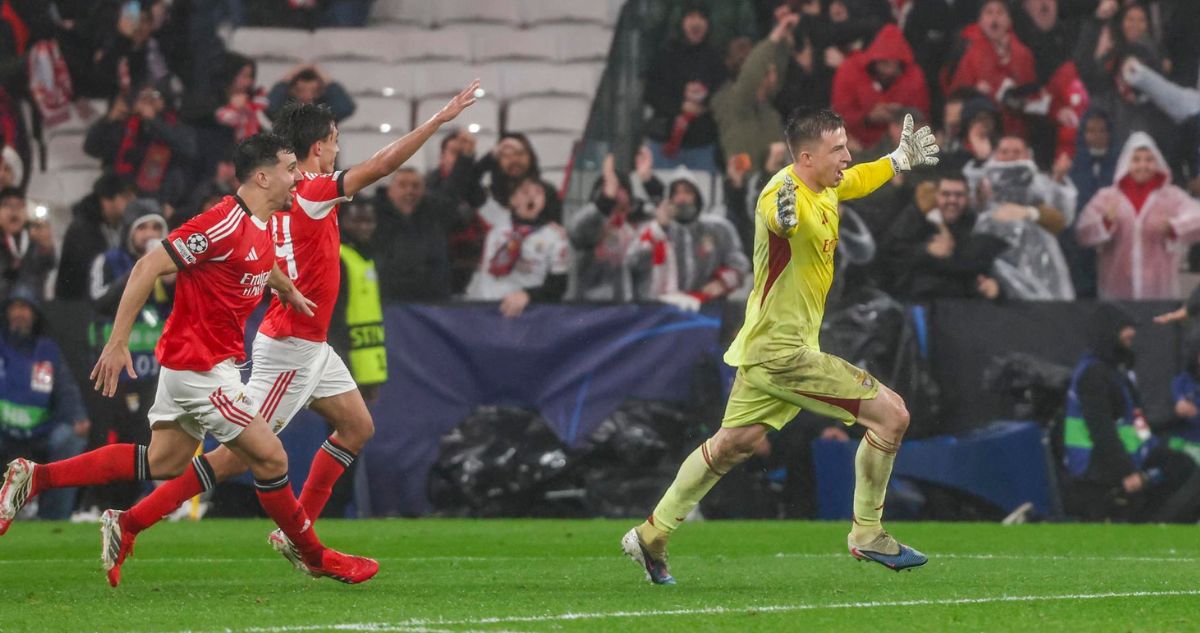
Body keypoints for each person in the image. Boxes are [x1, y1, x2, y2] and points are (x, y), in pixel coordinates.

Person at [100, 84, 480, 580]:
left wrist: (285, 283)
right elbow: (382, 167)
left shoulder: (283, 195)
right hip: (290, 349)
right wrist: (437, 121)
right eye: (336, 139)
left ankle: (293, 531)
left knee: (358, 427)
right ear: (318, 147)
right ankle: (133, 520)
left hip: (312, 343)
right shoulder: (311, 192)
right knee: (237, 459)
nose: (339, 148)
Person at [0, 133, 379, 588]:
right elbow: (146, 267)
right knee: (272, 459)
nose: (297, 175)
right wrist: (117, 343)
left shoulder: (258, 225)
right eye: (288, 168)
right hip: (199, 369)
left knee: (164, 461)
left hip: (203, 365)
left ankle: (35, 477)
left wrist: (286, 287)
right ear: (262, 176)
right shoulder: (219, 224)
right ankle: (314, 554)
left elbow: (257, 263)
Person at [621, 108, 940, 583]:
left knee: (734, 443)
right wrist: (784, 221)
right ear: (806, 157)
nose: (848, 158)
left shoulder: (826, 185)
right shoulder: (781, 192)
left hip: (763, 347)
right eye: (839, 150)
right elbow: (776, 215)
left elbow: (859, 179)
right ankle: (867, 534)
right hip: (784, 353)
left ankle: (650, 534)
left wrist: (897, 160)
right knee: (892, 415)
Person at [1061, 304, 1200, 523]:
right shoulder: (1093, 374)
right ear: (1109, 331)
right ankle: (1152, 529)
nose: (1132, 333)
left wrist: (1168, 425)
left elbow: (1137, 423)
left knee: (1183, 465)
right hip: (1097, 465)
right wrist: (1126, 472)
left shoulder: (1116, 372)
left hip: (1129, 454)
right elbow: (1102, 431)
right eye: (1126, 327)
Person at [81, 204, 171, 513]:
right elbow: (99, 301)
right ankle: (95, 502)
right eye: (143, 228)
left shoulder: (170, 267)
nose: (151, 235)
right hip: (113, 370)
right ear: (129, 231)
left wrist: (170, 278)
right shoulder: (109, 262)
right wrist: (142, 271)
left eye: (157, 229)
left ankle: (140, 500)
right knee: (106, 437)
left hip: (153, 372)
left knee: (147, 441)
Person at [0, 286, 90, 520]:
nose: (19, 313)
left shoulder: (47, 351)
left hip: (40, 432)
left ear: (35, 314)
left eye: (25, 308)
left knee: (70, 438)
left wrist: (77, 416)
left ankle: (53, 517)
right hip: (3, 433)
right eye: (15, 307)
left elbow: (65, 388)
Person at [1075, 132, 1200, 300]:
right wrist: (1104, 223)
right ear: (1126, 163)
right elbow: (1083, 231)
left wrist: (1174, 226)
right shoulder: (1108, 197)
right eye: (1136, 159)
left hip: (1160, 293)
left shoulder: (1172, 196)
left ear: (1157, 162)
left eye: (1149, 159)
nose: (1143, 165)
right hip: (1116, 291)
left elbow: (1196, 218)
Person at [625, 170, 750, 310]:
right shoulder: (652, 229)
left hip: (705, 309)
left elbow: (739, 264)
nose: (681, 198)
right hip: (659, 312)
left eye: (687, 192)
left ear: (697, 196)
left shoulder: (718, 229)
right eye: (676, 193)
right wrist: (658, 229)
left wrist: (723, 282)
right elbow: (632, 263)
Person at [880, 172, 1006, 300]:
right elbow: (889, 255)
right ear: (936, 196)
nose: (952, 200)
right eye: (946, 194)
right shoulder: (914, 217)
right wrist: (925, 250)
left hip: (964, 301)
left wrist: (994, 287)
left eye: (959, 195)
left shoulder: (974, 223)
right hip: (919, 298)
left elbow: (987, 264)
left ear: (967, 197)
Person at [466, 176, 569, 317]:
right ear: (513, 200)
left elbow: (559, 285)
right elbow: (472, 188)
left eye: (538, 192)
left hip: (522, 311)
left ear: (544, 202)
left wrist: (529, 296)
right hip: (484, 306)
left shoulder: (554, 236)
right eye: (525, 192)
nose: (531, 196)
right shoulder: (497, 219)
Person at [642, 2, 724, 171]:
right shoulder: (665, 54)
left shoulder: (715, 57)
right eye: (691, 17)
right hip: (664, 143)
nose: (696, 23)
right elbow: (651, 93)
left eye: (701, 17)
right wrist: (680, 105)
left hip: (702, 144)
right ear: (682, 22)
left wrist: (705, 106)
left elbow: (723, 93)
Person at [371, 167, 468, 302]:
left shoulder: (436, 216)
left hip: (432, 302)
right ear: (390, 191)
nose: (409, 191)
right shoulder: (372, 219)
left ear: (424, 190)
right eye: (402, 185)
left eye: (415, 186)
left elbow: (455, 190)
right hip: (388, 301)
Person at [831, 24, 930, 149]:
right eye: (884, 63)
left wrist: (902, 113)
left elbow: (922, 117)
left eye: (894, 64)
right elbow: (840, 114)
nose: (889, 70)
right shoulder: (849, 71)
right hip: (855, 145)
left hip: (901, 148)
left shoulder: (914, 77)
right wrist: (867, 118)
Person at [331, 199, 387, 400]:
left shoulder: (367, 258)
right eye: (357, 220)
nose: (364, 227)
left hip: (368, 359)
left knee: (360, 427)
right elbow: (332, 316)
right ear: (343, 221)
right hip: (344, 359)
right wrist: (340, 361)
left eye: (369, 221)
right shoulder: (337, 257)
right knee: (345, 426)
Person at [56, 175, 136, 301]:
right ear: (106, 200)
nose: (132, 201)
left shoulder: (116, 226)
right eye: (125, 197)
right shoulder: (83, 230)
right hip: (79, 306)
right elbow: (88, 274)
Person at [0, 189, 55, 301]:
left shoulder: (35, 240)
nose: (14, 211)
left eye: (20, 206)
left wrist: (46, 246)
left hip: (29, 310)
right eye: (7, 205)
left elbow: (49, 265)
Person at [265, 63, 356, 122]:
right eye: (301, 90)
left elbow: (346, 107)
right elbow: (269, 108)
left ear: (319, 92)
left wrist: (327, 80)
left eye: (313, 90)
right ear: (293, 91)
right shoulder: (287, 115)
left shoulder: (323, 115)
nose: (307, 95)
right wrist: (286, 80)